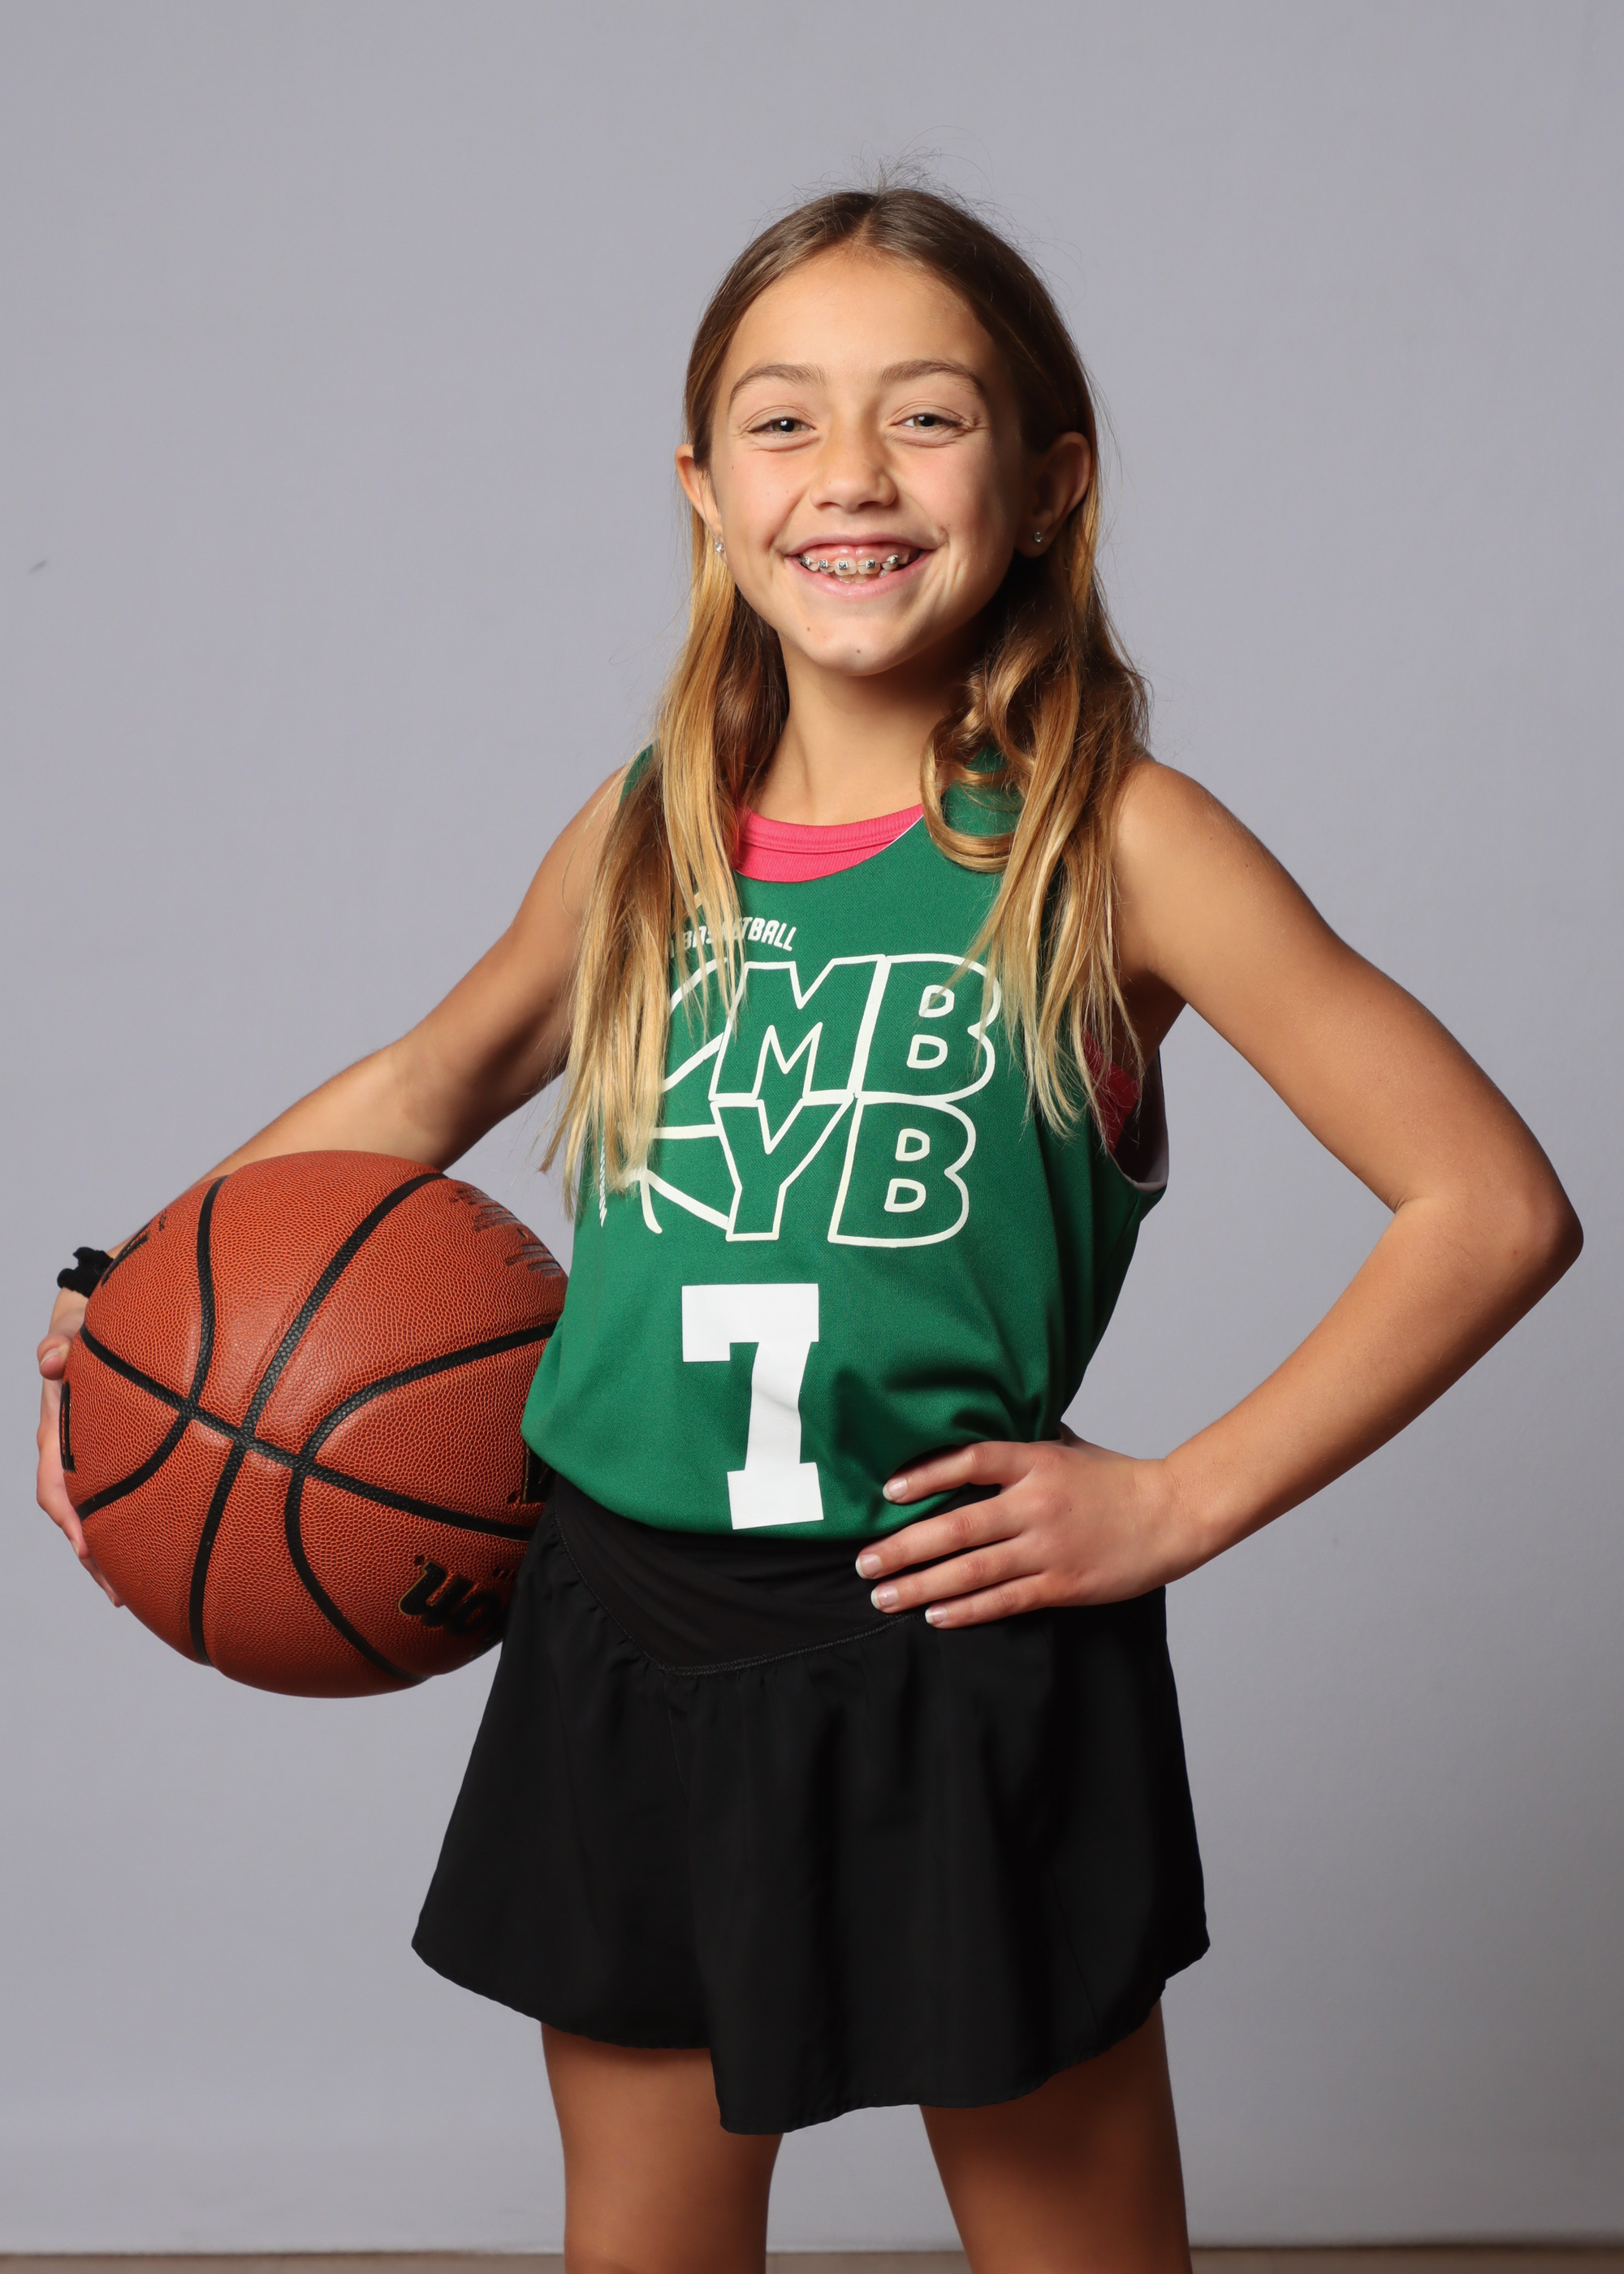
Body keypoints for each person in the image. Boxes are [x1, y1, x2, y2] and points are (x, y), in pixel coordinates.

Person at [36, 185, 1582, 2274]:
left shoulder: (1114, 840)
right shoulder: (643, 831)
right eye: (783, 421)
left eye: (923, 416)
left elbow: (1487, 1201)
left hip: (954, 1638)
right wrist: (136, 1309)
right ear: (702, 488)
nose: (849, 473)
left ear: (1050, 484)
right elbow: (414, 1092)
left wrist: (1180, 1497)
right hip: (622, 1625)